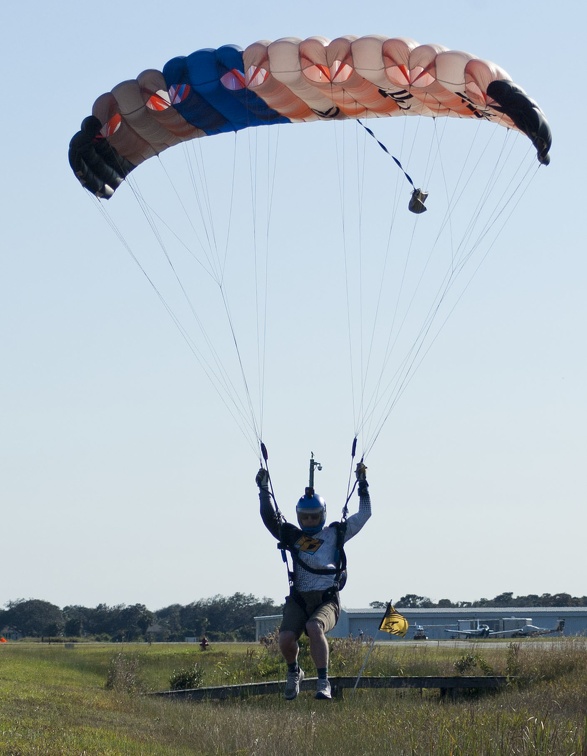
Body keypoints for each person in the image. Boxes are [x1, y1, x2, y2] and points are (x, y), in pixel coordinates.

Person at [256, 461, 371, 700]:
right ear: (298, 516)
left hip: (326, 600)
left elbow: (365, 513)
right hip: (299, 598)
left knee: (314, 626)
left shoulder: (335, 533)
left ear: (322, 515)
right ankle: (294, 672)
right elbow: (269, 518)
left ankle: (323, 681)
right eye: (304, 517)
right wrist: (264, 489)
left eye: (314, 517)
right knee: (286, 638)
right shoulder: (293, 535)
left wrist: (362, 484)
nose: (309, 521)